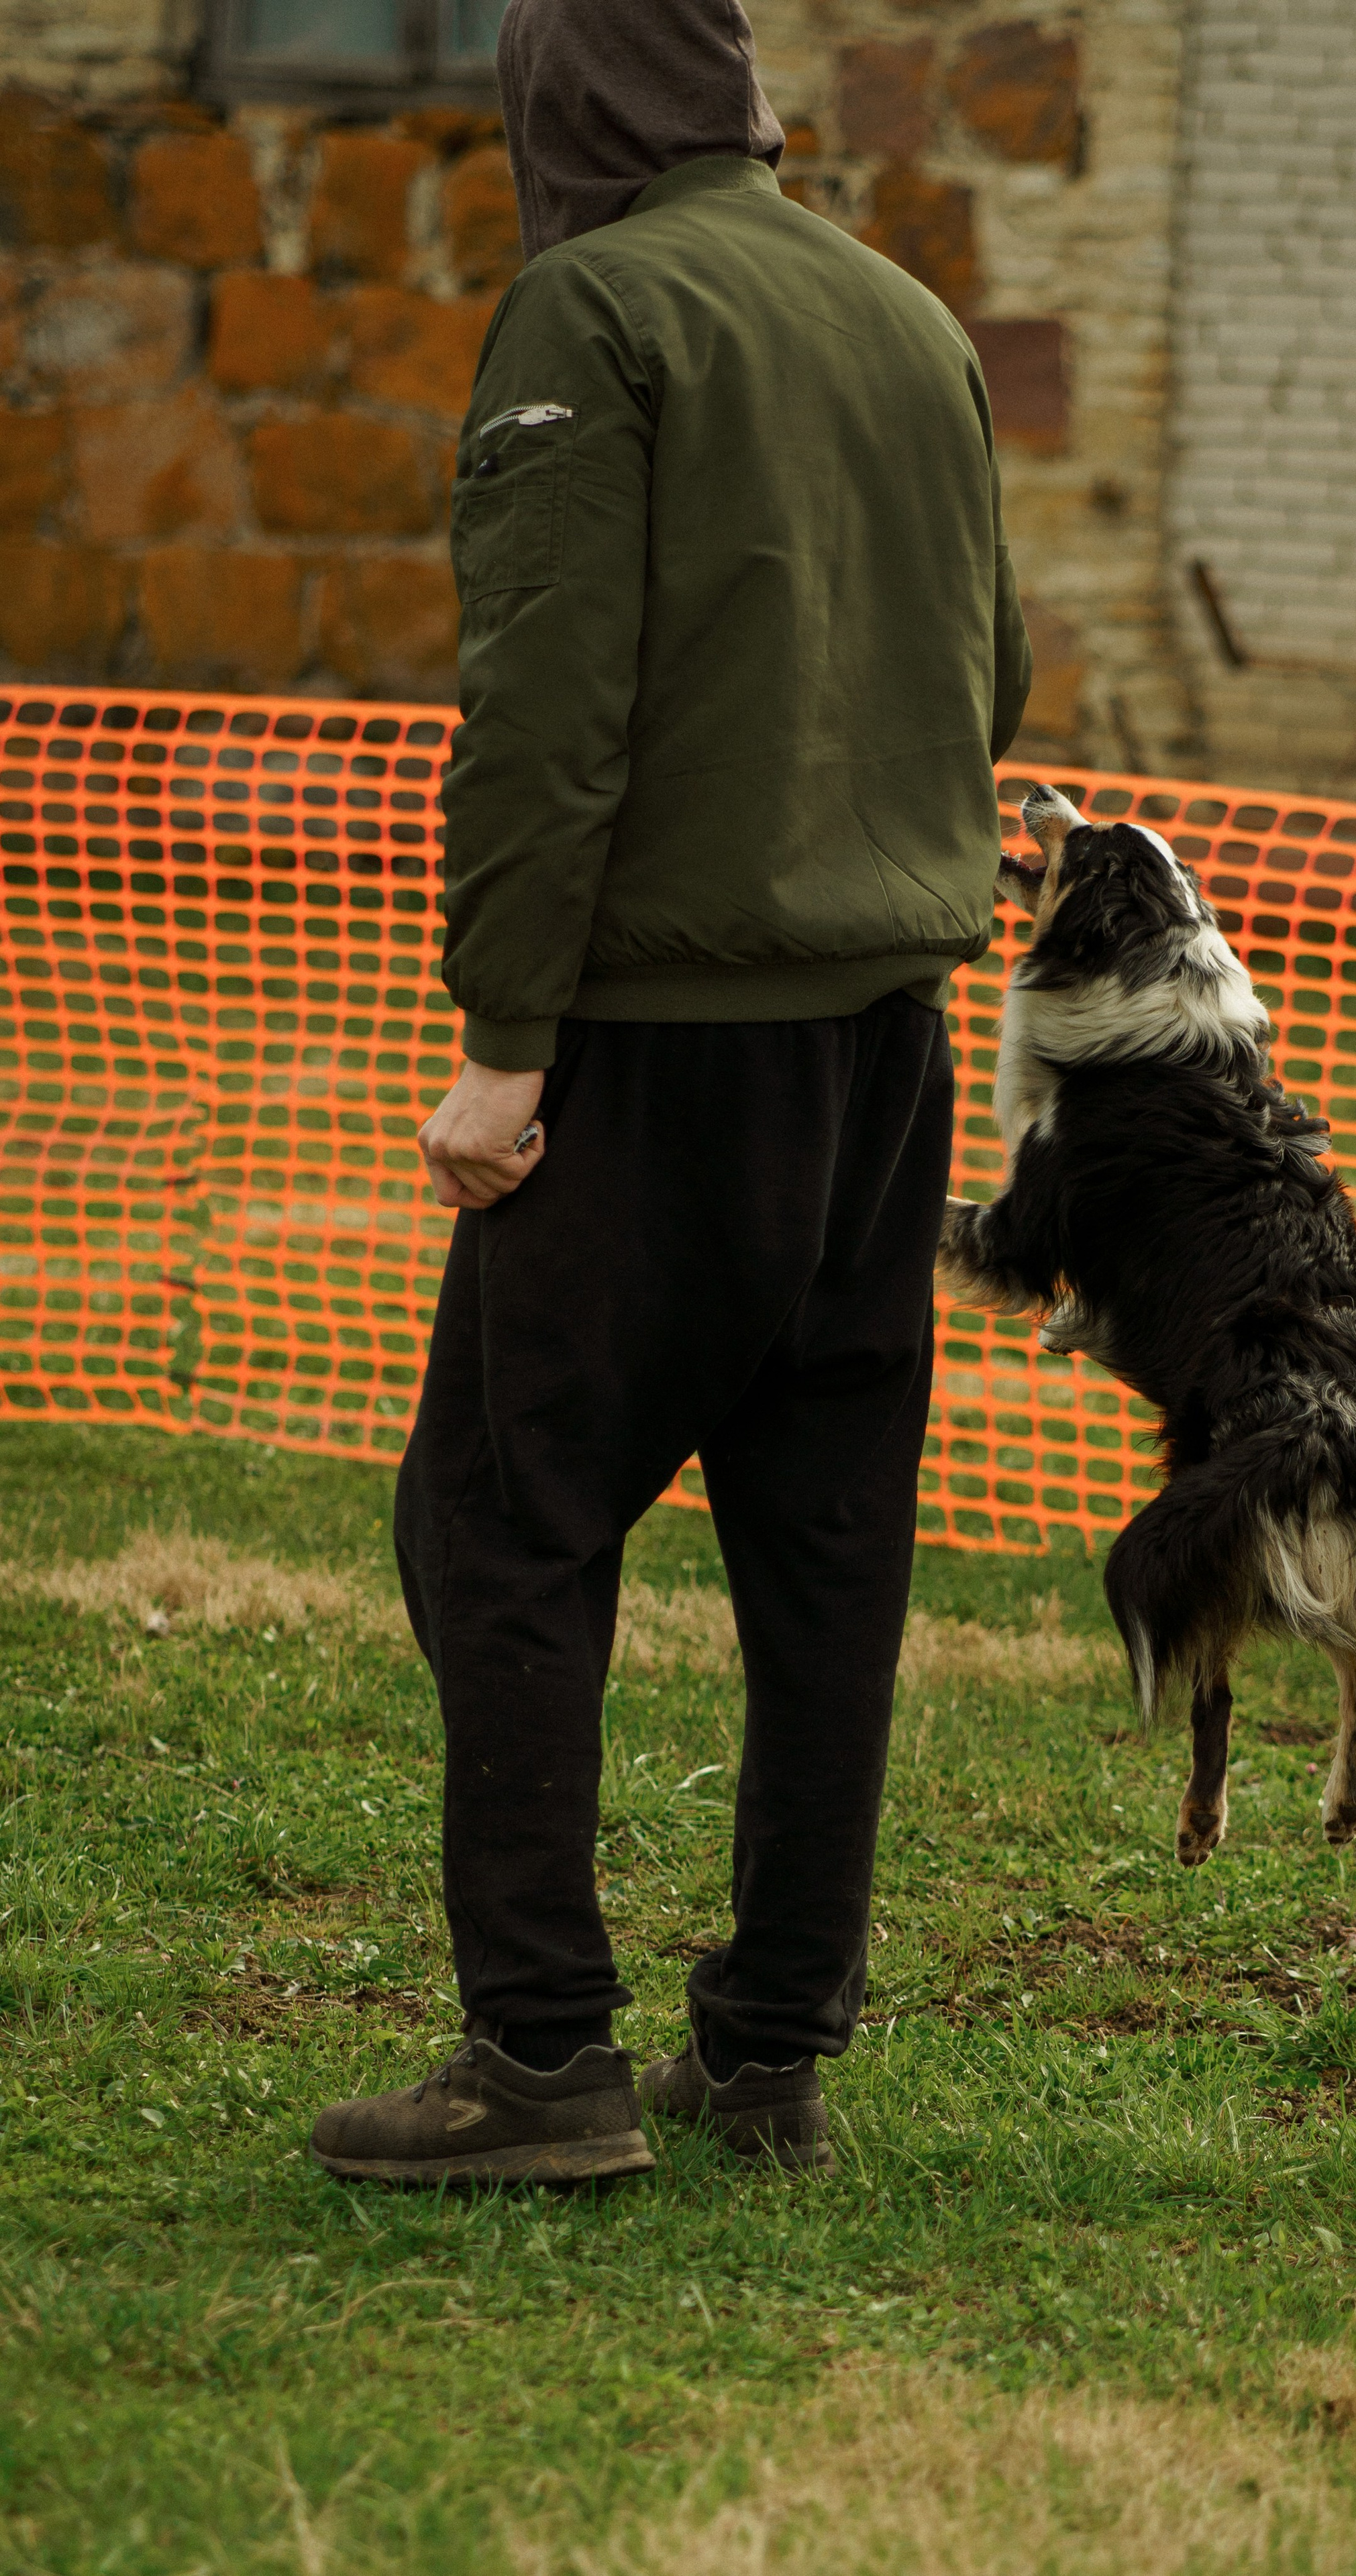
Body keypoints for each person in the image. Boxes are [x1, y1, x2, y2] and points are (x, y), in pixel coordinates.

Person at [310, 0, 1032, 2188]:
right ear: (738, 103)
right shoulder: (910, 313)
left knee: (499, 1525)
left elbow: (545, 714)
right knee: (829, 1551)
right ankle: (775, 2055)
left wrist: (502, 1051)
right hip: (887, 1049)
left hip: (649, 1057)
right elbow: (987, 672)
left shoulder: (591, 301)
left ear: (561, 107)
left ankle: (540, 2066)